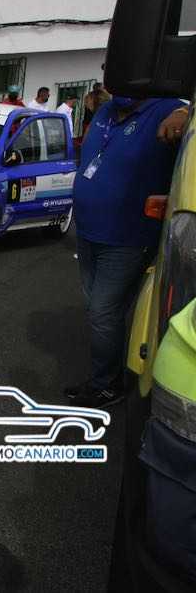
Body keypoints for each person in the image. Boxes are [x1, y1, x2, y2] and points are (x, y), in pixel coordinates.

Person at [67, 98, 189, 408]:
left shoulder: (164, 109)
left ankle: (106, 386)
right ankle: (107, 374)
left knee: (103, 311)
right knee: (100, 310)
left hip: (128, 238)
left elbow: (191, 117)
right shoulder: (106, 111)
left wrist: (184, 113)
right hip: (88, 233)